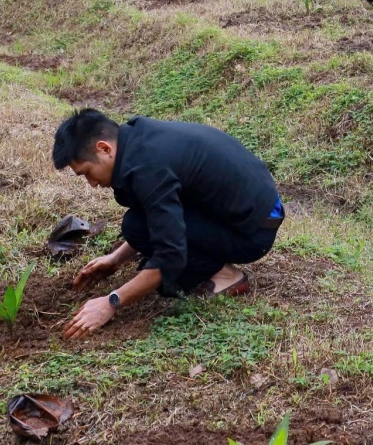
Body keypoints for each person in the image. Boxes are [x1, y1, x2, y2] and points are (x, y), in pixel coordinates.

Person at [54, 109, 284, 338]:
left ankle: (226, 276)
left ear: (104, 149)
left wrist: (111, 302)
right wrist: (115, 258)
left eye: (87, 173)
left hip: (252, 232)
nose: (92, 183)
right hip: (247, 210)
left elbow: (170, 255)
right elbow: (158, 214)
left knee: (141, 231)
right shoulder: (138, 139)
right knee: (135, 226)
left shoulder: (148, 169)